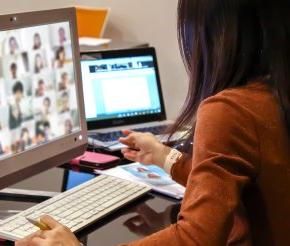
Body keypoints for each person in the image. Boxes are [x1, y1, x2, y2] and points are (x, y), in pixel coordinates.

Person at [16, 0, 290, 245]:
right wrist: (166, 158)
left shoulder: (231, 109)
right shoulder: (274, 92)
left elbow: (196, 237)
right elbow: (240, 176)